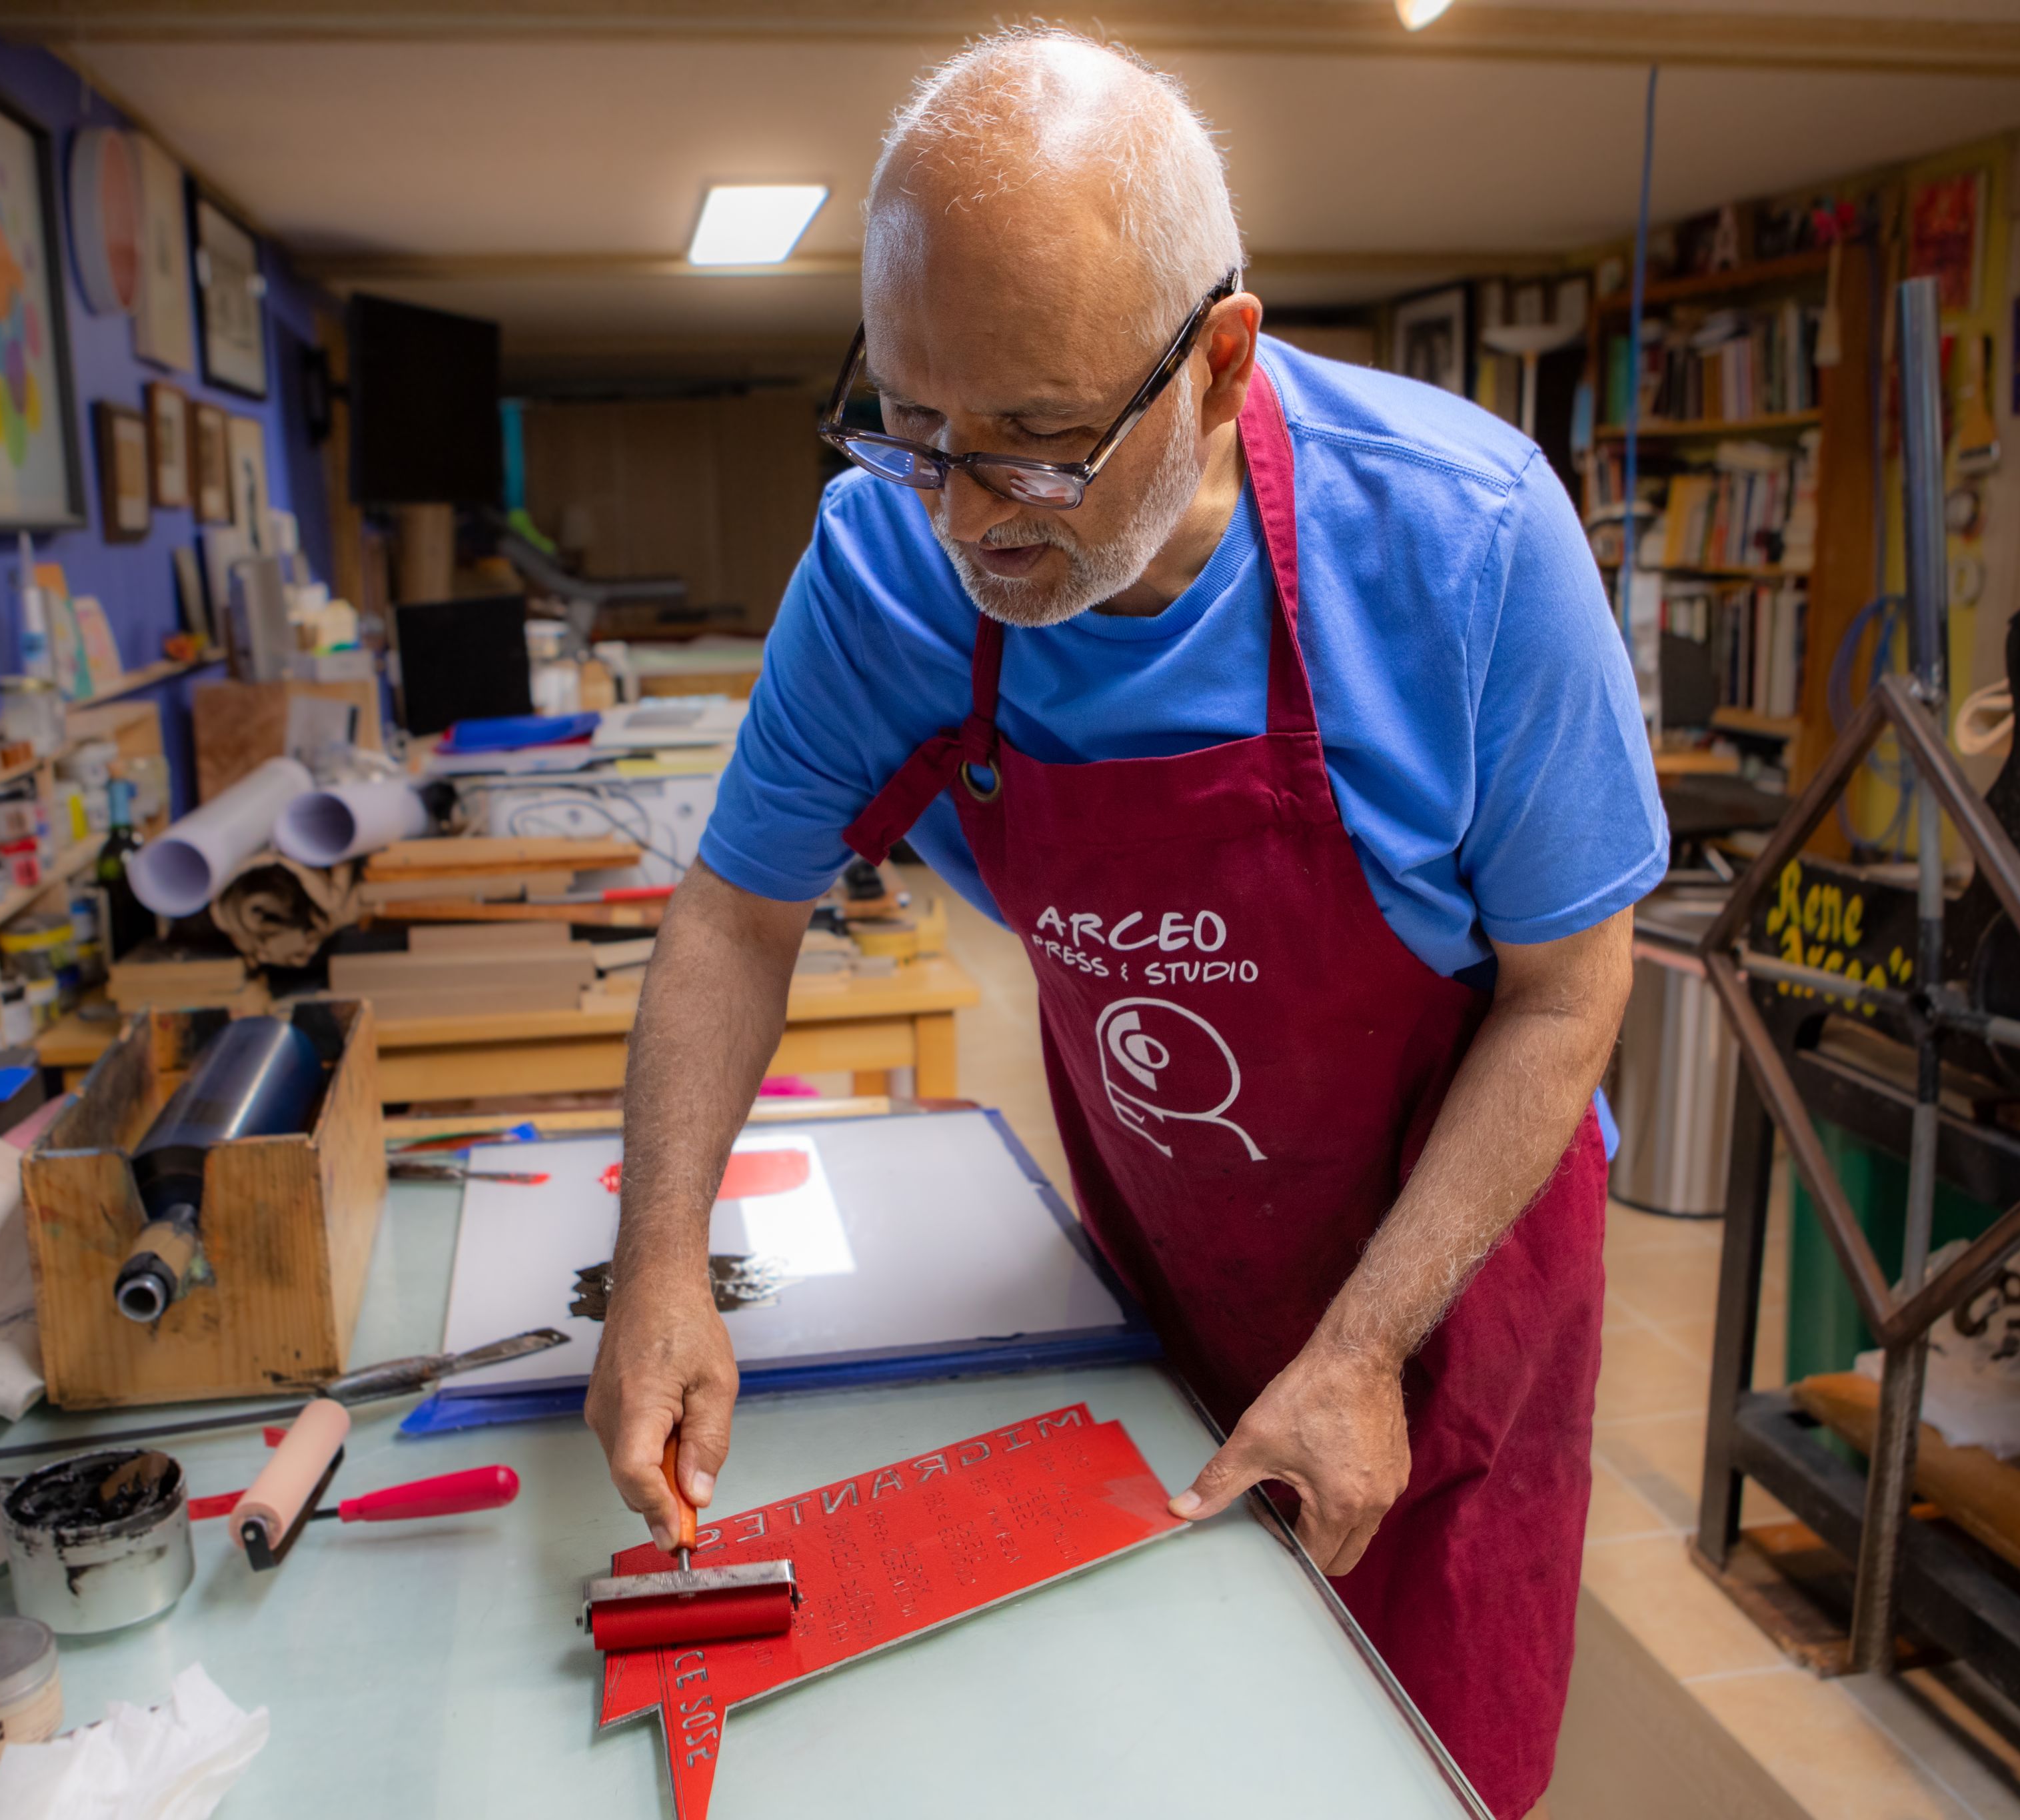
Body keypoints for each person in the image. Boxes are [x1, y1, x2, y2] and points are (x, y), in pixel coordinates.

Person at [584, 28, 1665, 1815]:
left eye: (1030, 444)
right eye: (912, 426)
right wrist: (660, 1269)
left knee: (1413, 1762)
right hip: (1172, 1236)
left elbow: (1569, 989)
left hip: (1447, 1286)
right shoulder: (893, 560)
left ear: (1221, 361)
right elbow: (734, 917)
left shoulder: (1467, 545)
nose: (963, 515)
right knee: (1166, 1736)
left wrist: (1366, 1346)